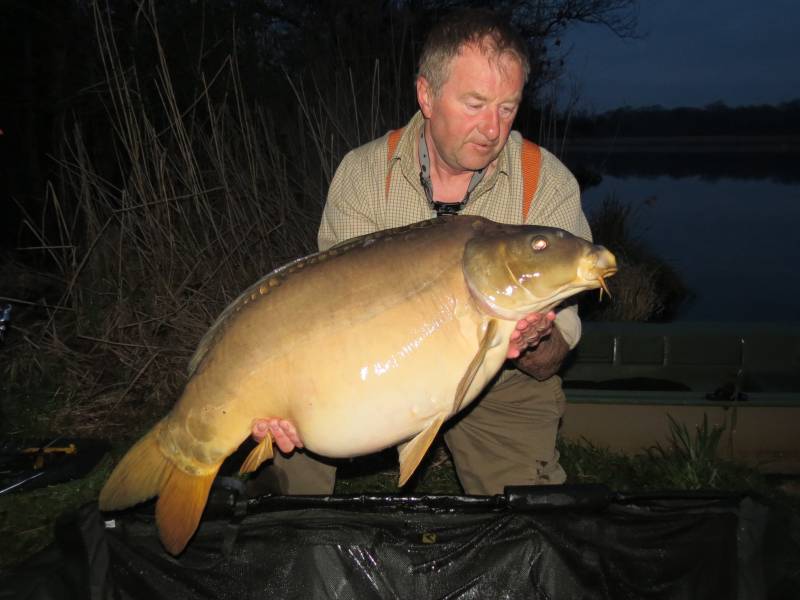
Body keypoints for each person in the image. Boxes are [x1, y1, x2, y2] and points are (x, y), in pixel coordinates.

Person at [250, 8, 591, 495]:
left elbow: (552, 360)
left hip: (497, 379)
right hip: (378, 362)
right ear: (426, 96)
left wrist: (537, 338)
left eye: (507, 107)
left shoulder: (546, 183)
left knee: (529, 515)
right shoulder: (365, 175)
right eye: (475, 104)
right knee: (286, 463)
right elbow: (326, 317)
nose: (492, 129)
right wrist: (280, 399)